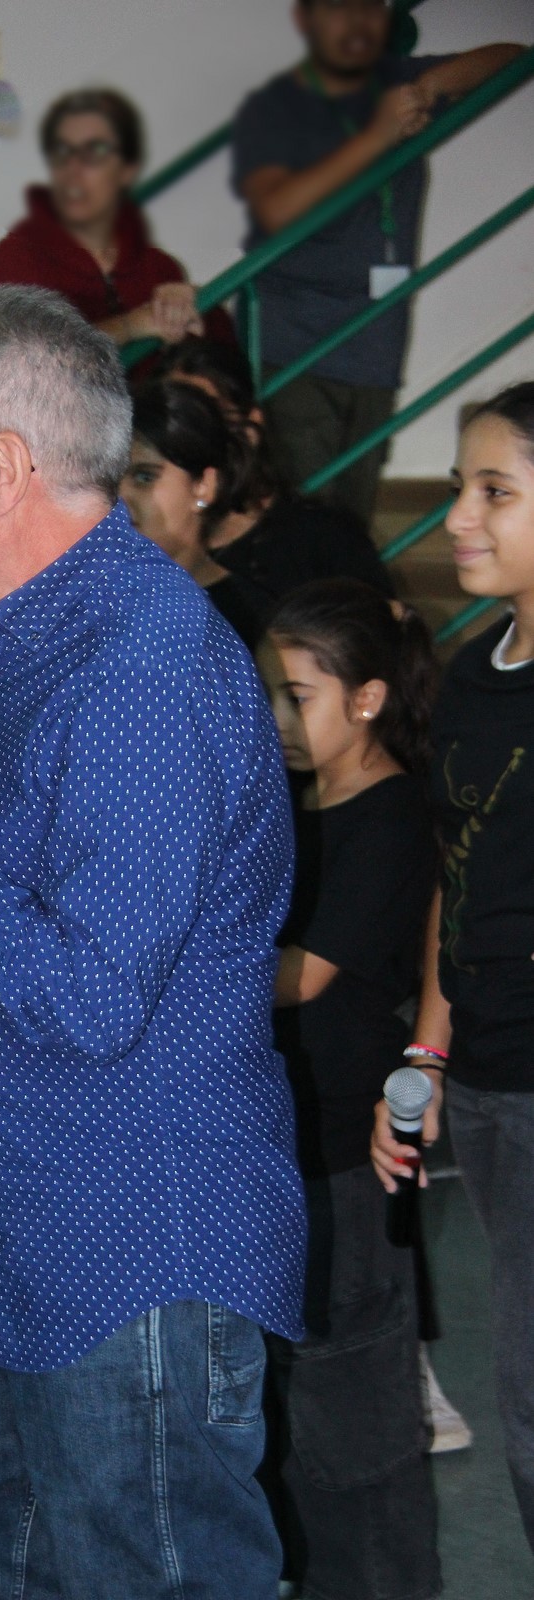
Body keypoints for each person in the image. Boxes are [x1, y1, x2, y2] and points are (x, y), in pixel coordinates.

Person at [0, 285, 306, 1599]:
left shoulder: (138, 672)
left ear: (0, 468)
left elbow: (91, 997)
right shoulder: (26, 634)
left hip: (130, 1254)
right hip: (14, 1234)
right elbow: (15, 870)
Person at [372, 382, 534, 1556]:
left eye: (493, 491)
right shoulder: (474, 672)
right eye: (457, 487)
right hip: (480, 1076)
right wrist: (426, 1053)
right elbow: (455, 871)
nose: (456, 517)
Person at [258, 578, 441, 1600]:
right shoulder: (294, 805)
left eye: (298, 696)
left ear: (365, 699)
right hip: (281, 1144)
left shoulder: (393, 814)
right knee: (290, 1412)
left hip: (347, 1158)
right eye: (268, 696)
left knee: (357, 1428)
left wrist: (167, 966)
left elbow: (304, 975)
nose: (278, 719)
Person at [232, 4, 522, 527]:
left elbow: (511, 57)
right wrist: (376, 136)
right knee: (304, 510)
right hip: (295, 340)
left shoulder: (397, 79)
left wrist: (429, 88)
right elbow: (284, 211)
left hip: (374, 340)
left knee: (351, 511)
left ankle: (346, 580)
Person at [0, 87, 234, 354]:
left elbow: (225, 359)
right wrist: (130, 326)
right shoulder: (17, 258)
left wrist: (197, 300)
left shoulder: (159, 268)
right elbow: (9, 360)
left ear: (126, 170)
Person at [150, 335, 397, 598]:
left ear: (249, 429)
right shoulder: (141, 549)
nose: (186, 438)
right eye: (171, 422)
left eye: (202, 419)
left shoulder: (326, 541)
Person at [123, 379, 272, 651]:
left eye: (145, 477)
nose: (119, 497)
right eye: (108, 479)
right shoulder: (76, 597)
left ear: (204, 486)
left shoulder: (247, 621)